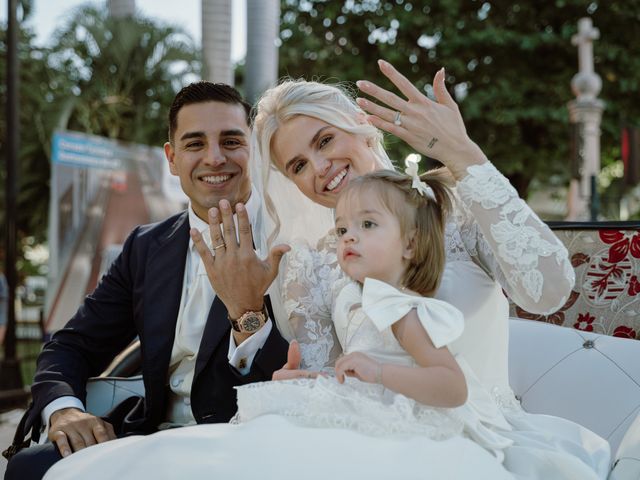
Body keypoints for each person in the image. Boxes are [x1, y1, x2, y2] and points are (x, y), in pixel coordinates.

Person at [247, 61, 610, 478]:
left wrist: (463, 154)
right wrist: (303, 386)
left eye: (325, 140)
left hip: (482, 442)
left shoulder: (455, 209)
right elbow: (338, 387)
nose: (319, 167)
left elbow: (549, 291)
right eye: (298, 165)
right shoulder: (312, 267)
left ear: (361, 125)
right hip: (370, 449)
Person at [41, 163, 516, 480]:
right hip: (358, 407)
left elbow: (451, 387)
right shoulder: (362, 297)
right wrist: (314, 375)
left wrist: (376, 373)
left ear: (411, 244)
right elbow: (353, 366)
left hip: (398, 424)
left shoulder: (399, 308)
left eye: (368, 226)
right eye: (344, 228)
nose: (349, 237)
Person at [3, 82, 291, 480]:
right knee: (29, 468)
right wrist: (64, 409)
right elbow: (71, 345)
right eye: (194, 144)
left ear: (253, 149)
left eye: (230, 140)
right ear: (172, 159)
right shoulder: (146, 246)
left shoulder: (289, 239)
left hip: (251, 445)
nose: (214, 157)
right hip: (151, 435)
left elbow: (306, 373)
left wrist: (247, 314)